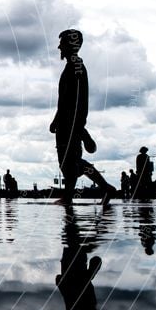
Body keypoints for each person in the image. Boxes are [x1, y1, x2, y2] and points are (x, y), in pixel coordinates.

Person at [49, 29, 115, 205]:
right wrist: (57, 119)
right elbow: (64, 98)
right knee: (72, 161)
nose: (59, 47)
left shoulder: (76, 66)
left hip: (70, 122)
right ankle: (104, 188)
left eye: (62, 43)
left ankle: (69, 196)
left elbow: (76, 98)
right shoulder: (72, 65)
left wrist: (76, 125)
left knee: (68, 161)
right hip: (67, 121)